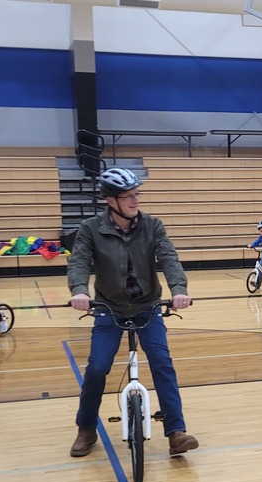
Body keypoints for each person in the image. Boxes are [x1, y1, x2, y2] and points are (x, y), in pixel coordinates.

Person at [67, 166, 198, 458]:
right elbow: (78, 261)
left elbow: (169, 257)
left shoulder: (152, 226)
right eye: (128, 196)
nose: (135, 201)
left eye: (136, 194)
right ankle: (86, 429)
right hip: (108, 308)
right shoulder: (91, 228)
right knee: (97, 368)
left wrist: (179, 289)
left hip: (148, 307)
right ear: (110, 201)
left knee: (162, 363)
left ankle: (176, 432)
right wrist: (79, 291)